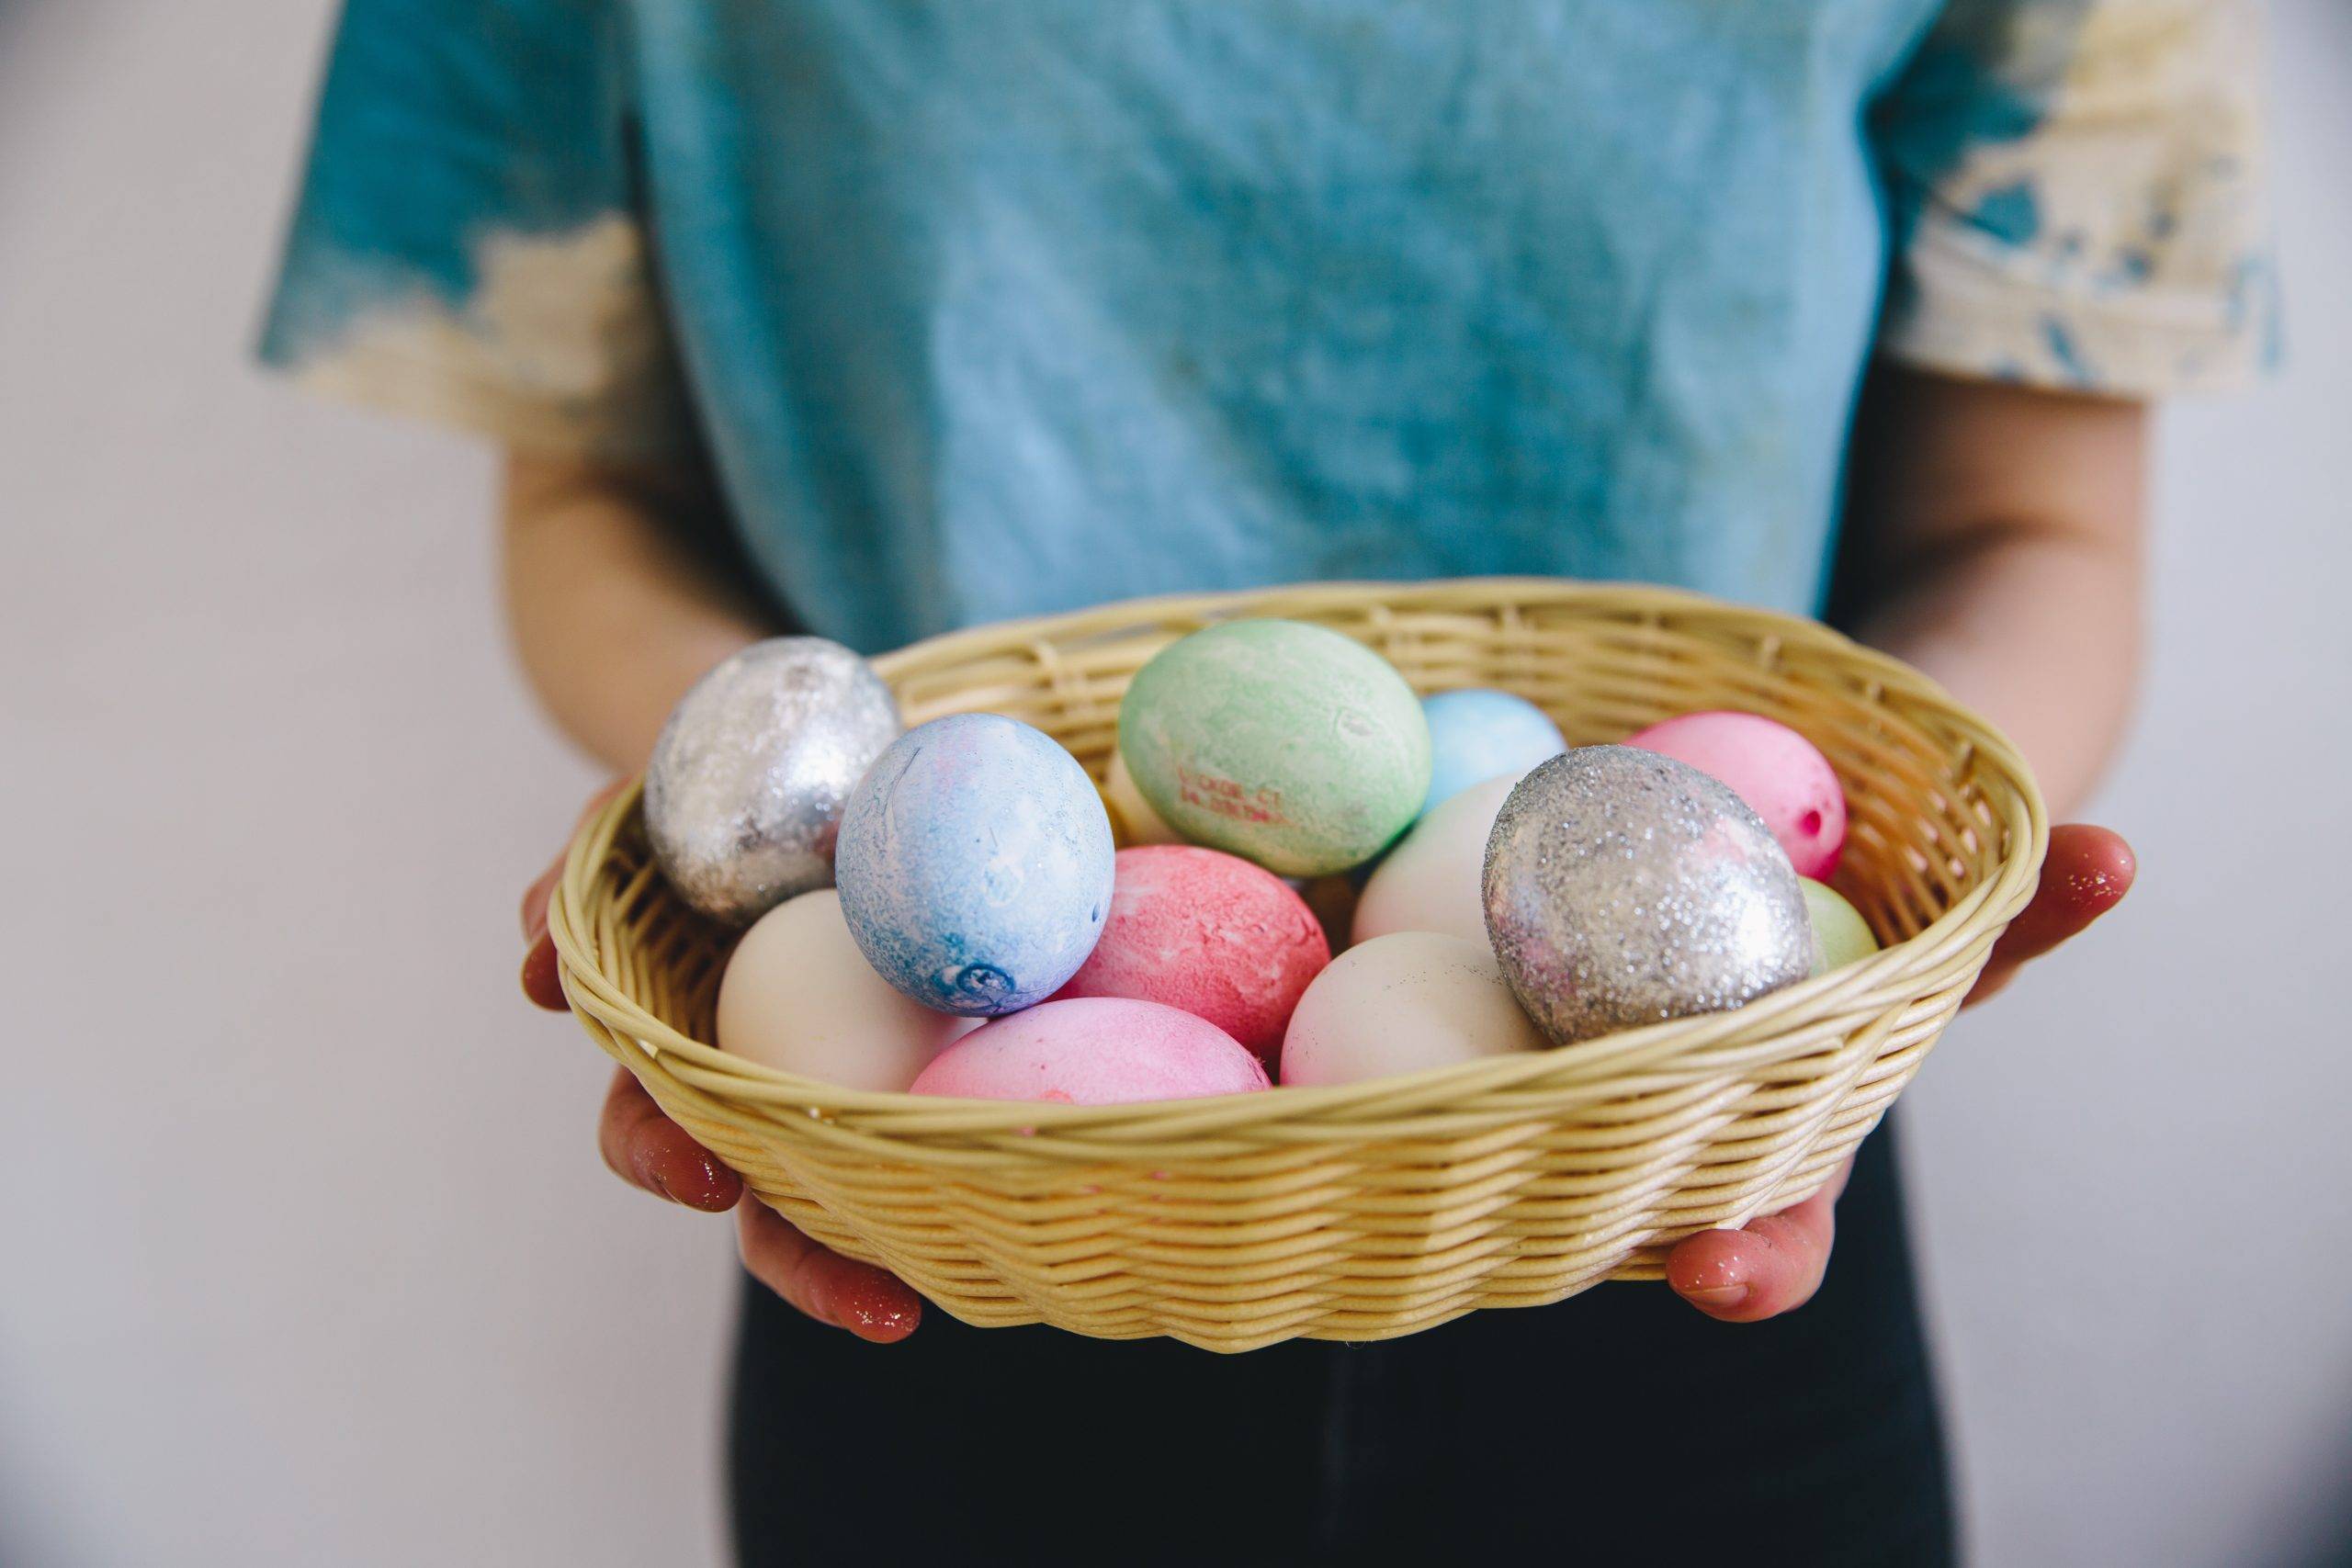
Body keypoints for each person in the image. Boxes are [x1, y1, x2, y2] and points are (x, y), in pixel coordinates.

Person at [264, 1, 2267, 1560]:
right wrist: (743, 838)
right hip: (947, 1200)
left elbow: (2029, 521)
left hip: (1693, 1171)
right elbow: (587, 496)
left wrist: (1850, 955)